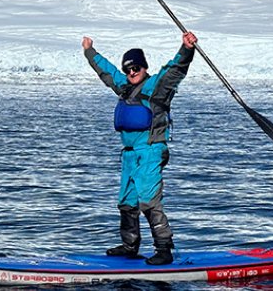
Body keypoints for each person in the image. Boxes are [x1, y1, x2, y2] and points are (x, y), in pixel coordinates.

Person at [82, 31, 197, 265]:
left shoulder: (156, 86)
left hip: (150, 150)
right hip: (130, 155)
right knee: (127, 201)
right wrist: (89, 52)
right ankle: (129, 246)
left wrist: (186, 49)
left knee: (149, 200)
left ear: (144, 67)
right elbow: (107, 72)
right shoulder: (124, 86)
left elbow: (175, 69)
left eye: (136, 68)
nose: (132, 72)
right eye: (128, 69)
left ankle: (164, 249)